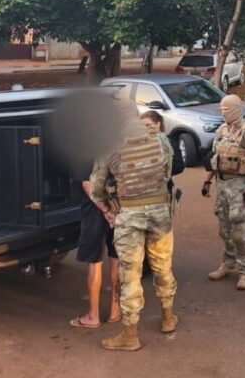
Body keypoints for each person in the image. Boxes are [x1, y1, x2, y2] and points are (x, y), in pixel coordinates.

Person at [91, 98, 177, 352]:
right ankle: (168, 317)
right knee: (163, 265)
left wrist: (109, 206)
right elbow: (168, 172)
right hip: (160, 211)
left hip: (129, 215)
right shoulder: (160, 139)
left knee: (130, 273)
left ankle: (130, 335)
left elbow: (96, 189)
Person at [200, 94, 245, 291]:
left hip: (240, 186)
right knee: (223, 227)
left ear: (236, 109)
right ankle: (228, 262)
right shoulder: (222, 130)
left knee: (240, 230)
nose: (223, 112)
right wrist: (207, 180)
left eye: (226, 109)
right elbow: (215, 158)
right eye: (222, 109)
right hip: (222, 184)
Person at [69, 148, 121, 330]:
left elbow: (87, 185)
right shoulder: (118, 146)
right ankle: (116, 309)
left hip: (95, 212)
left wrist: (104, 210)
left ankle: (93, 315)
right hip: (119, 208)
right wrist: (112, 211)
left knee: (95, 262)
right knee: (116, 259)